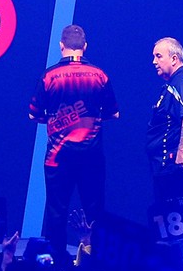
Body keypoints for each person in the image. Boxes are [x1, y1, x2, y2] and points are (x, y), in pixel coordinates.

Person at [28, 24, 119, 253]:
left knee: (56, 211)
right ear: (85, 46)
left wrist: (56, 120)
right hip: (91, 156)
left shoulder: (49, 76)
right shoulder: (99, 75)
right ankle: (97, 261)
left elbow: (33, 114)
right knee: (95, 211)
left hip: (58, 158)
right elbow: (114, 113)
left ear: (61, 46)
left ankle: (57, 265)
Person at [145, 37, 183, 207]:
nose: (154, 61)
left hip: (175, 166)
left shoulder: (181, 81)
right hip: (169, 165)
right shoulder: (180, 81)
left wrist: (181, 151)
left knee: (174, 213)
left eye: (158, 56)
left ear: (174, 58)